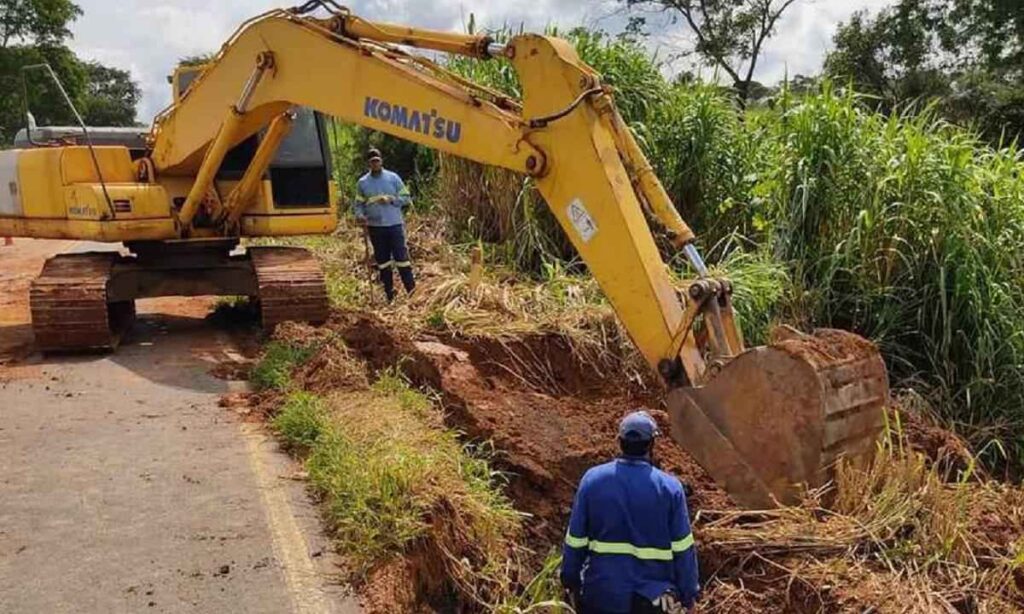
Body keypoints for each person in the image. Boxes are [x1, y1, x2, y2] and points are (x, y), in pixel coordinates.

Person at [561, 410, 700, 613]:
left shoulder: (592, 480)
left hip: (601, 594)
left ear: (619, 441)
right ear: (652, 444)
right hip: (653, 598)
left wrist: (570, 581)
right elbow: (683, 548)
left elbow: (575, 540)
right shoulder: (670, 488)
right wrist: (688, 595)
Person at [353, 147, 415, 301]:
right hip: (375, 227)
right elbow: (358, 204)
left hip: (394, 225)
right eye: (372, 162)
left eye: (377, 161)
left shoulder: (393, 178)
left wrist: (392, 200)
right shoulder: (363, 183)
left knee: (402, 259)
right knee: (383, 262)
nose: (375, 164)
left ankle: (412, 292)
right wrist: (360, 216)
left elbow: (406, 197)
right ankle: (389, 294)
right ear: (368, 164)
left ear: (381, 161)